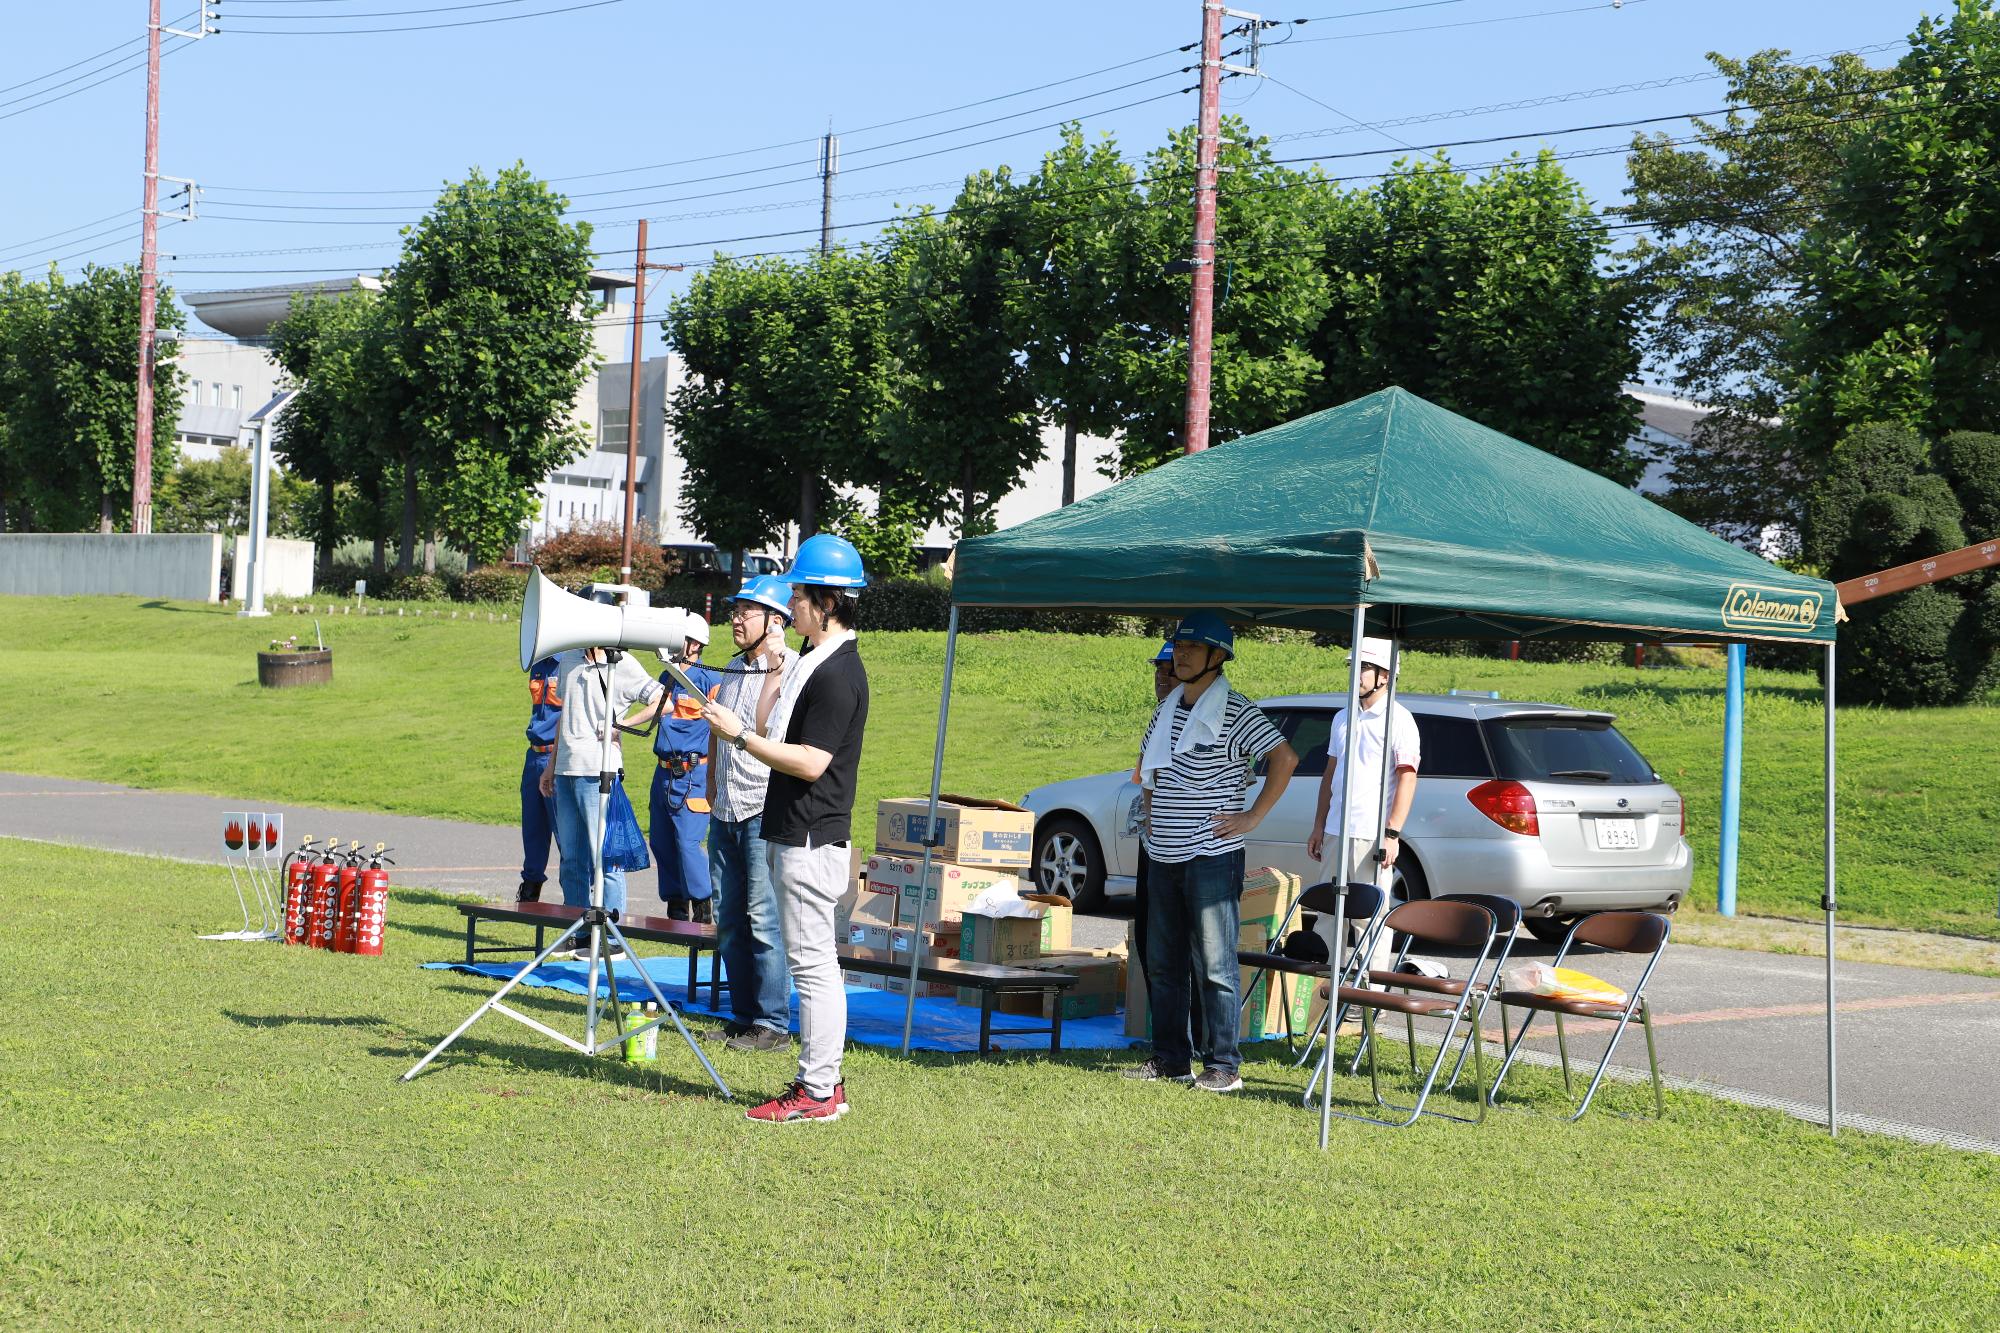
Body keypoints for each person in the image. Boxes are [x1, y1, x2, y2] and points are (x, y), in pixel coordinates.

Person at [703, 533, 869, 1124]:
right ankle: (824, 1083)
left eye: (799, 594)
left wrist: (738, 737)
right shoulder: (813, 662)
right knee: (813, 962)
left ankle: (819, 1090)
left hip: (810, 835)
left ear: (827, 602)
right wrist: (771, 671)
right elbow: (776, 719)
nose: (790, 604)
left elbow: (809, 760)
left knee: (813, 966)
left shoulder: (838, 674)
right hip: (795, 832)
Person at [1127, 612, 1297, 1093]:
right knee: (1162, 962)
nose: (1179, 656)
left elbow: (1284, 758)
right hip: (1162, 850)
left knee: (1216, 963)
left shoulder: (1238, 711)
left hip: (1211, 852)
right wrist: (1149, 809)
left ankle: (1223, 1065)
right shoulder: (1166, 709)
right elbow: (1151, 770)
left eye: (1190, 649)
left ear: (1217, 657)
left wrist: (1252, 818)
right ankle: (1170, 1060)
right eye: (1177, 648)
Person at [705, 576, 798, 1054]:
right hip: (724, 809)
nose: (736, 619)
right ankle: (744, 1017)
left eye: (747, 611)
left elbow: (772, 735)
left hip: (763, 810)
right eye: (735, 610)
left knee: (764, 919)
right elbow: (716, 731)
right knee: (728, 918)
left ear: (776, 620)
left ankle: (773, 1023)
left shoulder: (793, 672)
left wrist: (775, 665)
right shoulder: (734, 670)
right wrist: (710, 786)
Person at [538, 644, 664, 957]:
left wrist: (621, 726)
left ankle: (613, 936)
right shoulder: (568, 659)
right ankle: (579, 931)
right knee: (572, 857)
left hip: (599, 769)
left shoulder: (622, 663)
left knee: (605, 857)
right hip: (567, 768)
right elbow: (566, 713)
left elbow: (664, 701)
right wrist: (552, 766)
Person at [1306, 636, 1420, 976]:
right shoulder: (1342, 716)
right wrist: (1318, 826)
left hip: (1371, 834)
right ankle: (1324, 998)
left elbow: (1408, 778)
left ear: (1384, 676)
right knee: (1328, 914)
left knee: (1369, 919)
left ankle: (1368, 1002)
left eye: (1364, 667)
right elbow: (1330, 774)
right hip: (1334, 832)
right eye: (1353, 666)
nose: (1355, 673)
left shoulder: (1399, 719)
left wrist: (1392, 834)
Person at [1130, 639, 1204, 1058]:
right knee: (1151, 942)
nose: (1161, 676)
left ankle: (1194, 1039)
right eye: (1158, 669)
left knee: (1187, 949)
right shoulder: (1163, 715)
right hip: (1154, 844)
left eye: (1169, 669)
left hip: (1188, 848)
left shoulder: (1199, 717)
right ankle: (1167, 1039)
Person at [629, 618, 721, 922]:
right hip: (664, 773)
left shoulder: (709, 679)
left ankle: (703, 906)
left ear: (694, 644)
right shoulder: (665, 675)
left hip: (693, 774)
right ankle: (675, 905)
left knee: (688, 842)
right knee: (661, 840)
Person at [517, 655, 561, 903]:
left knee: (563, 830)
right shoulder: (539, 664)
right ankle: (530, 890)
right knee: (532, 826)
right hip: (534, 754)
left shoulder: (570, 662)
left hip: (556, 755)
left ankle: (576, 898)